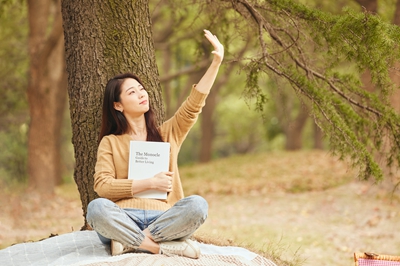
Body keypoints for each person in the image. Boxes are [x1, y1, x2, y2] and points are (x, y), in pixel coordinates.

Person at [86, 29, 224, 259]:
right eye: (132, 92)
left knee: (198, 205)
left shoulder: (168, 133)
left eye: (141, 89)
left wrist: (216, 63)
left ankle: (131, 242)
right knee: (96, 209)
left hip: (164, 218)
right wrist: (149, 182)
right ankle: (159, 247)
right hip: (123, 216)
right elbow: (103, 186)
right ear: (118, 105)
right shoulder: (110, 142)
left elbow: (194, 105)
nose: (142, 94)